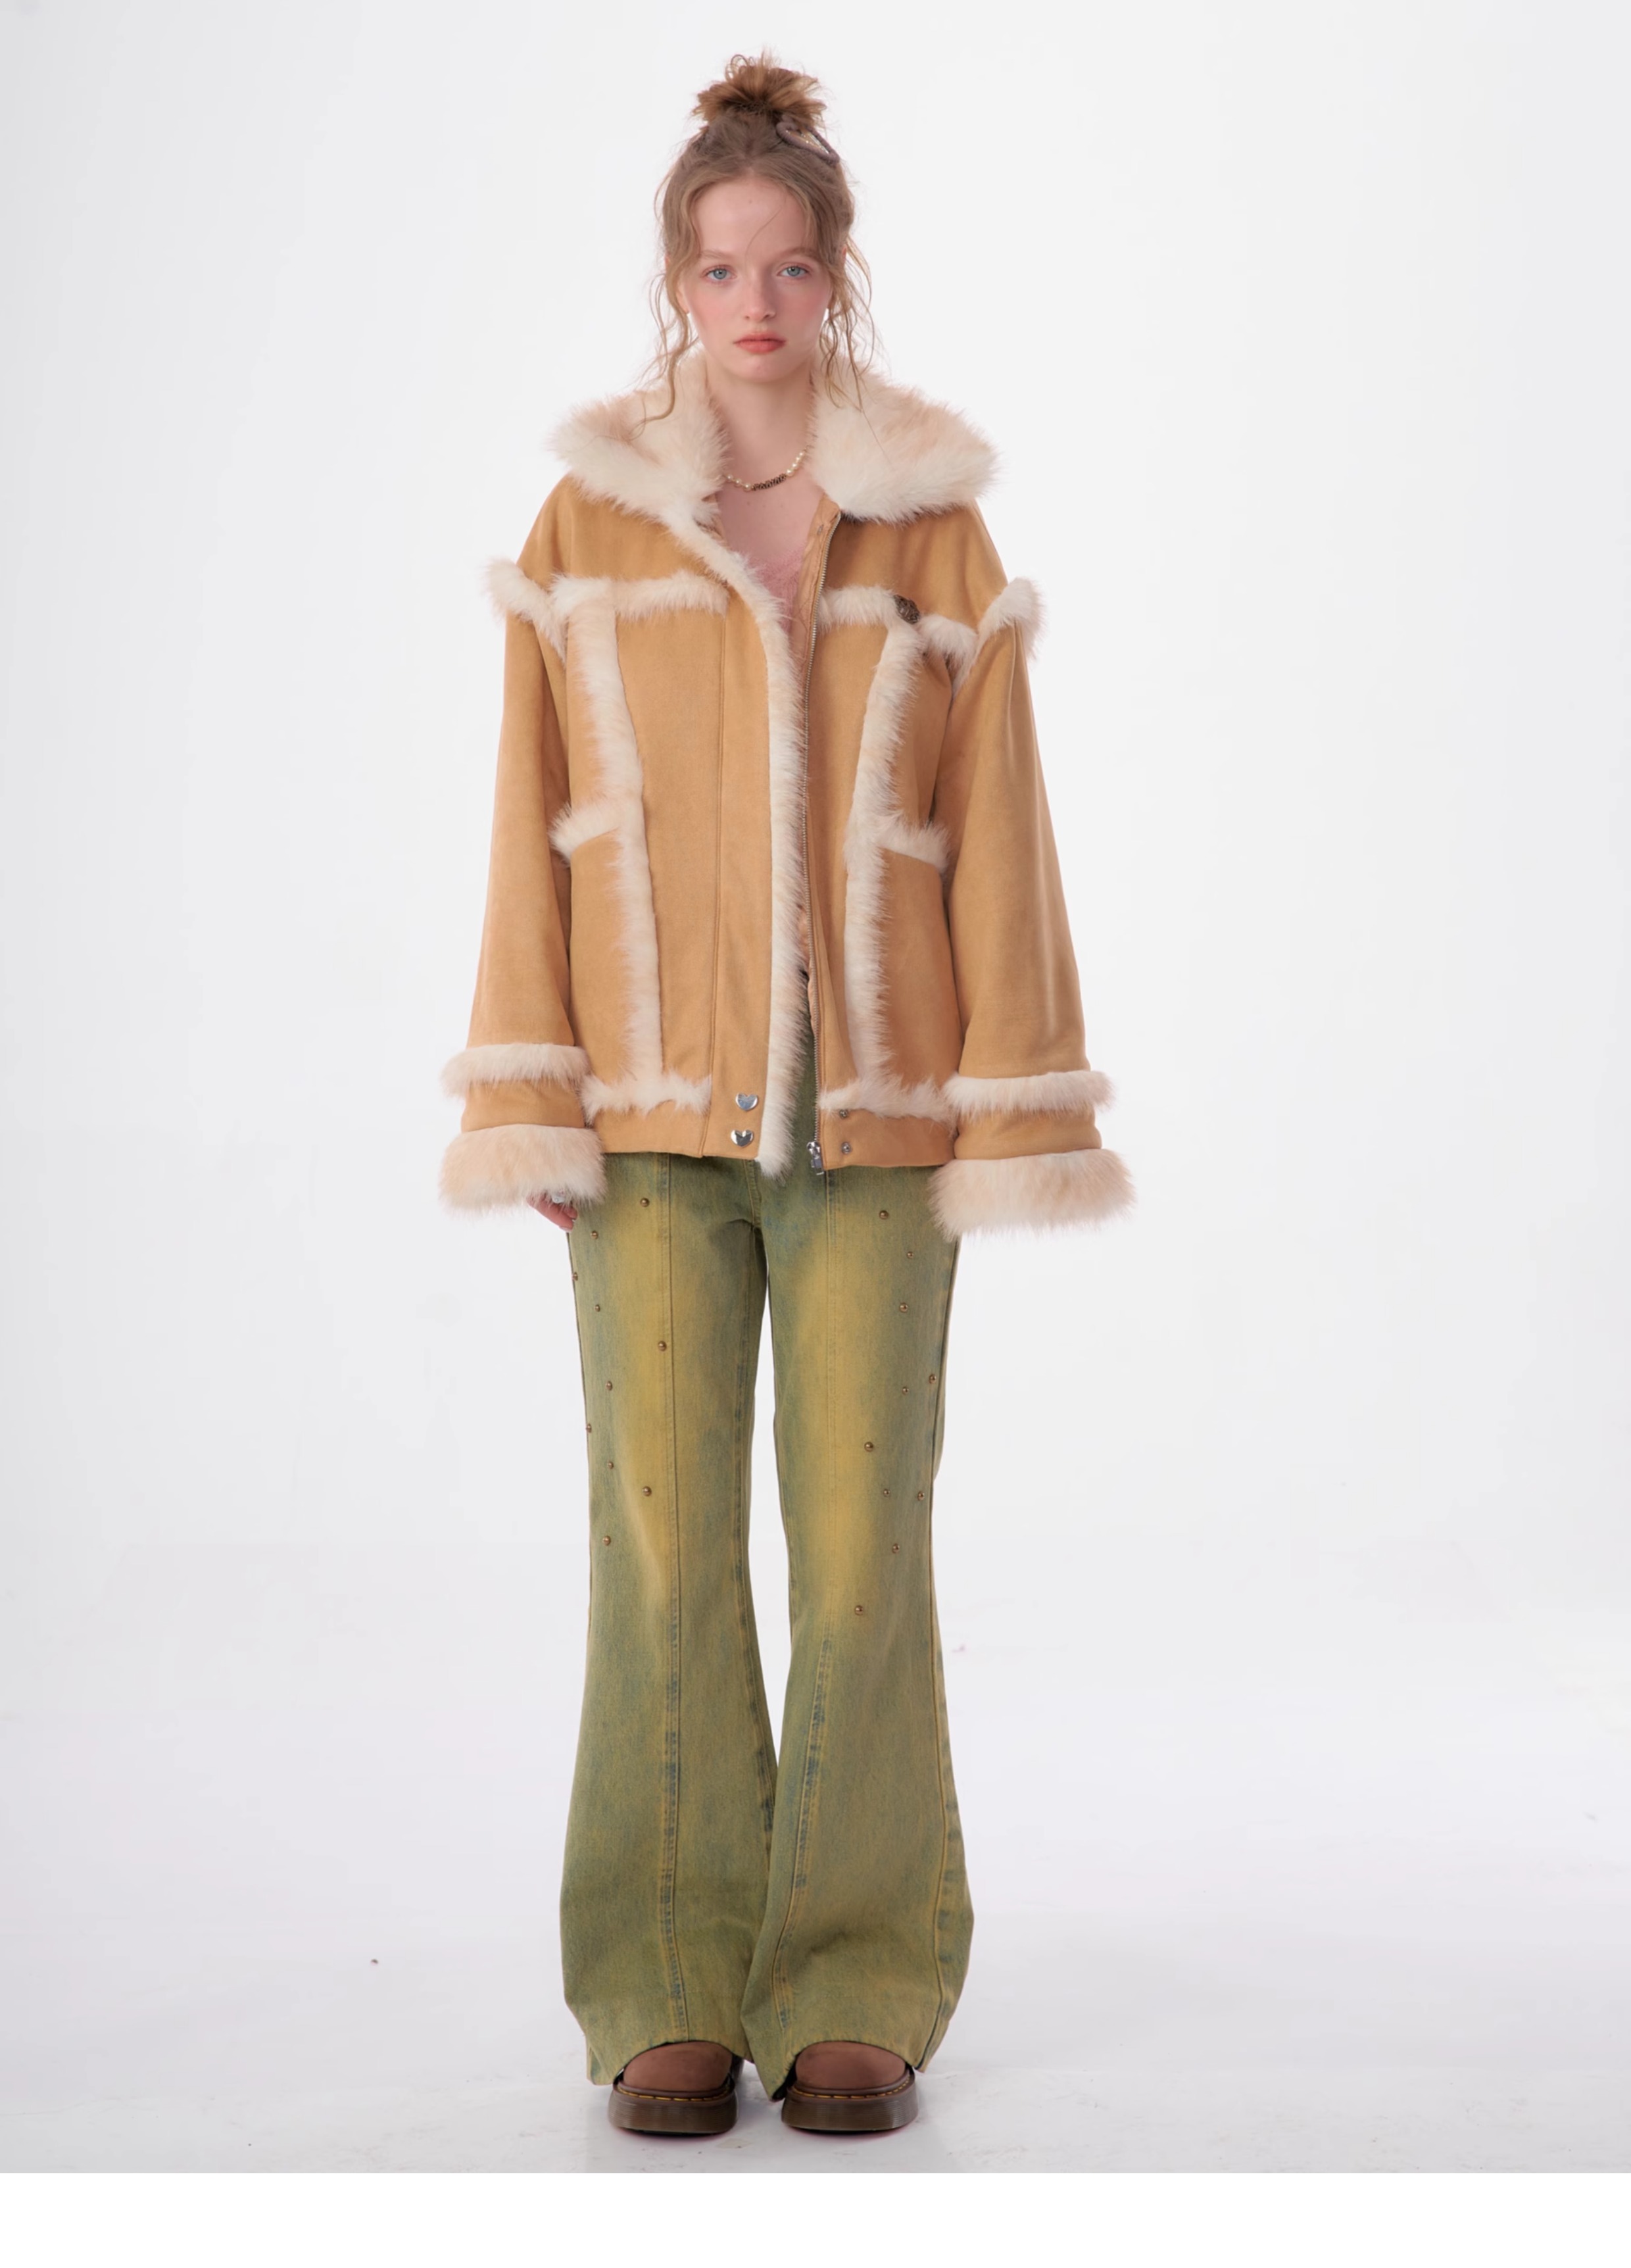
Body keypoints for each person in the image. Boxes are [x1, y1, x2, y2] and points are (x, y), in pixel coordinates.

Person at [439, 51, 1133, 2138]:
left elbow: (1001, 831)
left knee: (859, 1554)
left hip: (882, 1120)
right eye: (722, 268)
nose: (756, 303)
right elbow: (527, 821)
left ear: (838, 278)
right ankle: (662, 1973)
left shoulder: (930, 524)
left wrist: (1012, 1112)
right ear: (679, 283)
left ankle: (854, 1975)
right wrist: (533, 1091)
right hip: (649, 1123)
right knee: (660, 1549)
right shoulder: (587, 522)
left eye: (791, 266)